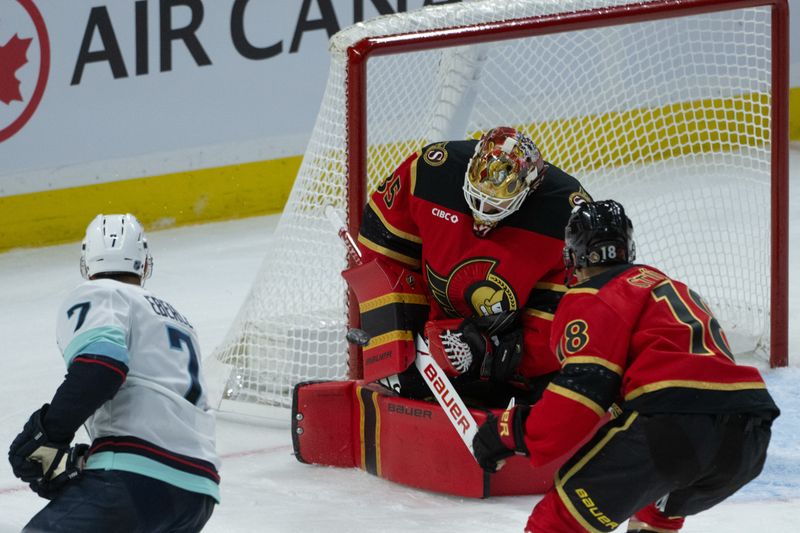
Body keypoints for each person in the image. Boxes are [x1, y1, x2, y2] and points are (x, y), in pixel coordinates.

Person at [471, 200, 779, 532]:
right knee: (654, 513)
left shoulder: (593, 295)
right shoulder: (673, 288)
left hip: (673, 426)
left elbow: (580, 396)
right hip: (748, 437)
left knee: (558, 520)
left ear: (573, 256)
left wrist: (509, 431)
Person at [8, 213, 220, 533]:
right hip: (197, 494)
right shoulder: (179, 321)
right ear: (144, 263)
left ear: (86, 262)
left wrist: (49, 434)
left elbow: (102, 367)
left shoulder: (98, 294)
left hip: (134, 477)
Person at [357, 126, 592, 407]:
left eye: (494, 207)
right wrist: (403, 331)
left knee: (561, 395)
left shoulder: (566, 216)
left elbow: (572, 312)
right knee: (406, 376)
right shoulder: (432, 172)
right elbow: (382, 248)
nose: (482, 215)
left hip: (512, 348)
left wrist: (491, 353)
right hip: (435, 338)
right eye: (477, 199)